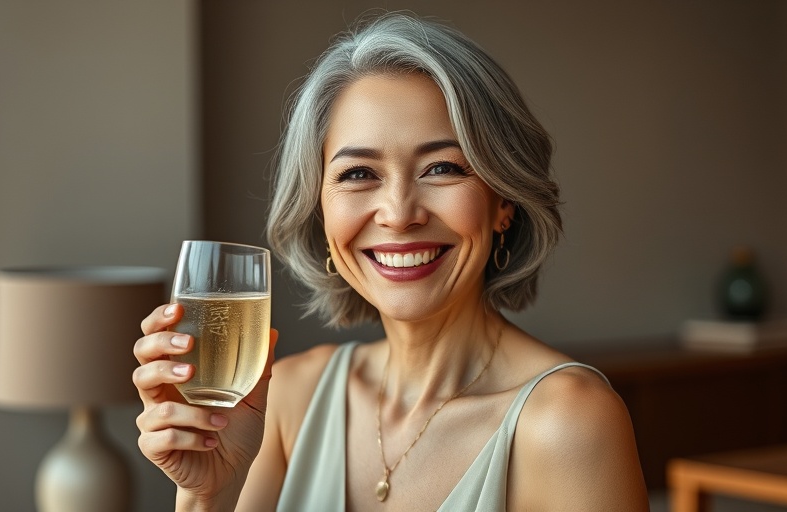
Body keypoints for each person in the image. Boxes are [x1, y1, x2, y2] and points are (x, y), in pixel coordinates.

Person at [133, 11, 649, 511]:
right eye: (358, 174)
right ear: (321, 209)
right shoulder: (285, 399)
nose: (399, 214)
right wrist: (206, 496)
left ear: (504, 203)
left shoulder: (569, 423)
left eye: (443, 167)